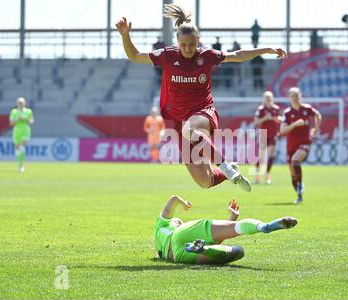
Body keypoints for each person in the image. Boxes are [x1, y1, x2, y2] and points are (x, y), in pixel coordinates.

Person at [116, 4, 287, 192]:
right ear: (177, 41)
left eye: (191, 44)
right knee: (205, 181)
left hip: (203, 113)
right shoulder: (167, 55)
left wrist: (265, 50)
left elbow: (237, 55)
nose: (188, 49)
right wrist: (125, 35)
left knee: (191, 129)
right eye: (183, 45)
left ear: (198, 40)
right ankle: (229, 170)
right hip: (180, 121)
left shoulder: (206, 55)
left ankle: (227, 168)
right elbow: (134, 56)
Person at [154, 195, 298, 264]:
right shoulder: (170, 226)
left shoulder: (161, 233)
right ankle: (263, 227)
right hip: (180, 236)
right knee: (238, 245)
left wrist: (231, 218)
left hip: (178, 255)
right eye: (177, 220)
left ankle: (200, 248)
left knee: (234, 252)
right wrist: (184, 204)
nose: (178, 220)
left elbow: (216, 241)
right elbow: (173, 199)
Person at [279, 88, 322, 204]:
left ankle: (299, 189)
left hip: (305, 143)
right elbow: (282, 130)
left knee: (295, 160)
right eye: (292, 96)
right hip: (291, 145)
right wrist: (294, 124)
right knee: (293, 174)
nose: (294, 98)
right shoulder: (287, 113)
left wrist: (316, 128)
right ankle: (299, 193)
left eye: (296, 95)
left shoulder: (307, 109)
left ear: (300, 96)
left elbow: (318, 115)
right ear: (289, 98)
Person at [253, 91, 281, 184]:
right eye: (266, 97)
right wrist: (266, 118)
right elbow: (256, 122)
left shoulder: (276, 108)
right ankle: (257, 174)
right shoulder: (261, 109)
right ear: (263, 99)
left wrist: (277, 119)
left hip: (273, 134)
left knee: (271, 155)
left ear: (272, 98)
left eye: (269, 97)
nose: (268, 99)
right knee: (261, 156)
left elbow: (278, 119)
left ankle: (267, 175)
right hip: (263, 134)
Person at [9, 97, 34, 173]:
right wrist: (17, 119)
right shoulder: (14, 112)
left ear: (24, 103)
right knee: (17, 149)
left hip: (25, 131)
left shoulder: (28, 111)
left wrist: (26, 119)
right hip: (17, 131)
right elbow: (11, 123)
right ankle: (20, 163)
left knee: (22, 146)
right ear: (17, 104)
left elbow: (31, 121)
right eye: (19, 103)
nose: (20, 104)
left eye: (22, 103)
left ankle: (21, 166)